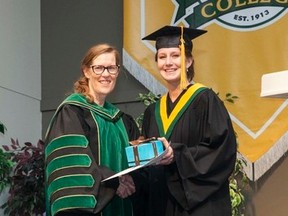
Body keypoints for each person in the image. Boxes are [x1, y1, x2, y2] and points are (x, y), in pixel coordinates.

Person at [137, 25, 237, 216]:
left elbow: (222, 150)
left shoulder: (205, 100)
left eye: (175, 55)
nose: (168, 62)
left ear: (189, 61)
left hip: (200, 205)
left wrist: (178, 154)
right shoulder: (153, 111)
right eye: (162, 56)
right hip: (162, 204)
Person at [44, 43, 140, 216]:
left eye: (111, 68)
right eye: (98, 68)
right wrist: (114, 181)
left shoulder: (124, 121)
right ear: (86, 71)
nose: (105, 74)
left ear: (117, 72)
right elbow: (72, 169)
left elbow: (136, 167)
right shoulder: (72, 111)